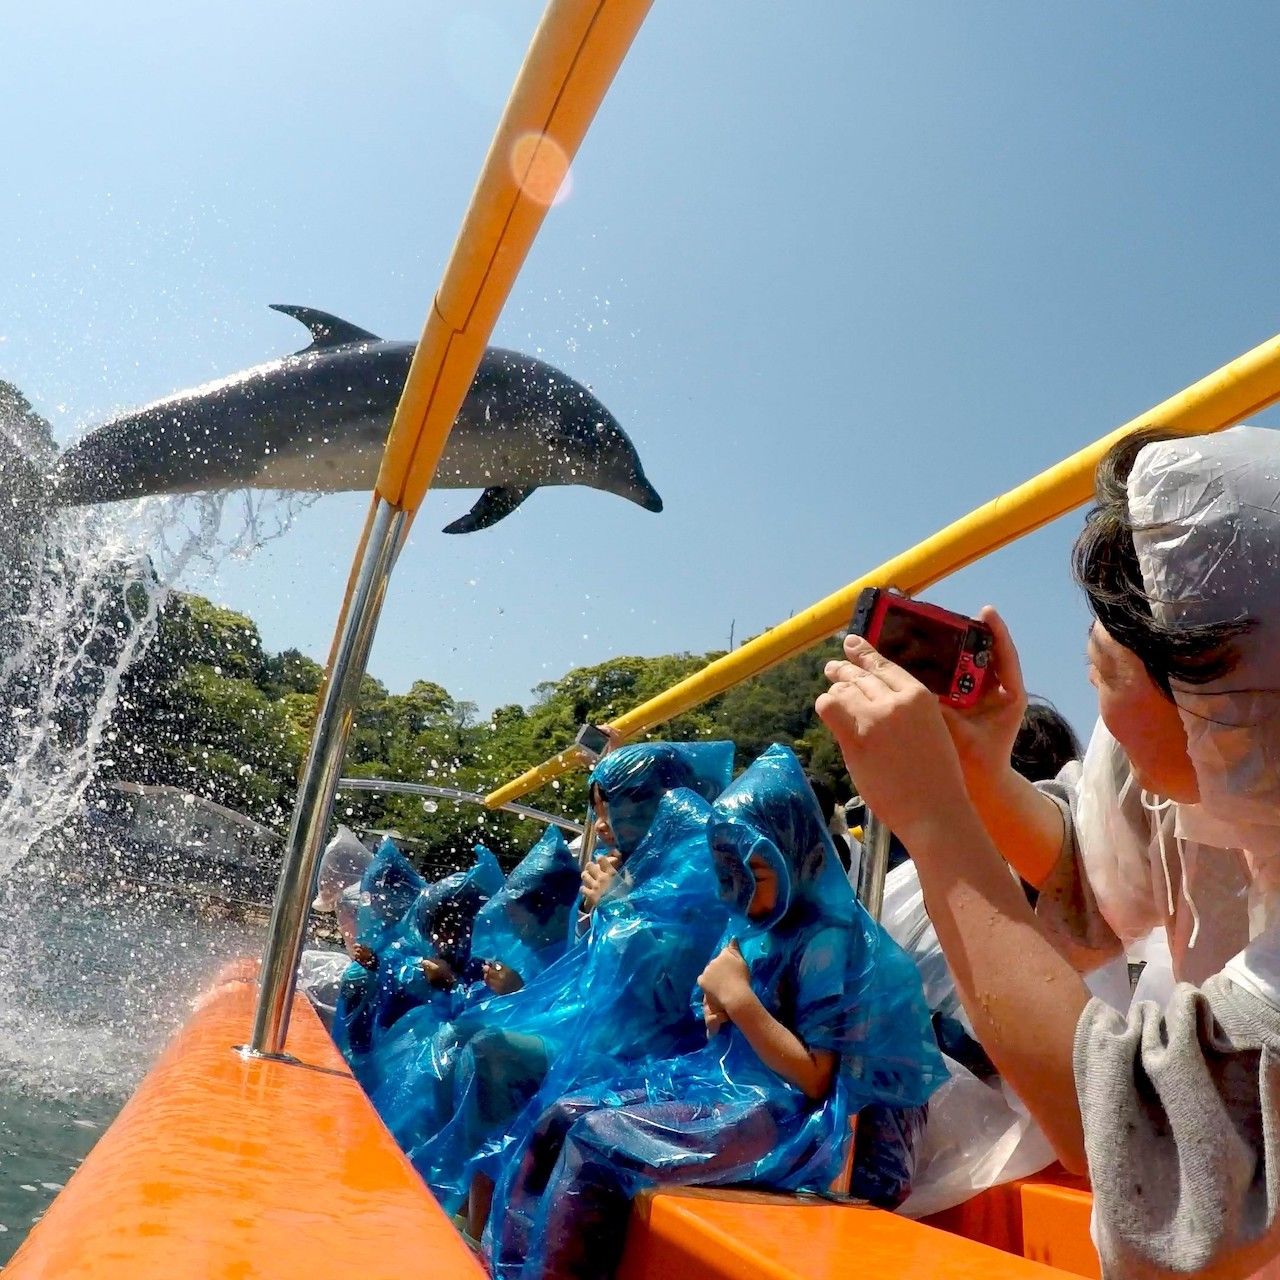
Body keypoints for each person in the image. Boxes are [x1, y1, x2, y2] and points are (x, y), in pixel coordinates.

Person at [818, 425, 1280, 1278]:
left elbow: (1145, 1139)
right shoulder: (1231, 772)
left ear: (1210, 699)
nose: (1096, 714)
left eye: (1103, 669)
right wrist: (984, 777)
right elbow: (1099, 875)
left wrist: (935, 819)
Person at [483, 745, 944, 1280]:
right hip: (743, 1090)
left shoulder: (828, 938)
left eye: (752, 873)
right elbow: (713, 1007)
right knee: (559, 1115)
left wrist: (740, 1000)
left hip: (809, 1123)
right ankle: (507, 1270)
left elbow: (818, 1079)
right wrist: (714, 1005)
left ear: (795, 855)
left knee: (599, 1142)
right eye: (724, 874)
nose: (735, 890)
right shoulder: (756, 924)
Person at [406, 741, 736, 1235]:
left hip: (656, 1052)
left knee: (492, 1052)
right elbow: (597, 969)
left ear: (652, 803)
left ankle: (483, 1228)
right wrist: (601, 911)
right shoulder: (646, 863)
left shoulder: (696, 866)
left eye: (610, 810)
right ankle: (468, 1206)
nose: (601, 826)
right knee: (460, 1038)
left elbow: (670, 985)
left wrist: (617, 903)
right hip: (605, 1034)